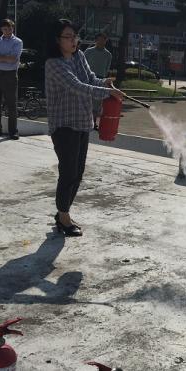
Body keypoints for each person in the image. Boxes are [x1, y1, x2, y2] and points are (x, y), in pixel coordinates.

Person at [45, 18, 125, 236]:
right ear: (57, 40)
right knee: (68, 172)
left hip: (82, 123)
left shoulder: (79, 55)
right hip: (63, 125)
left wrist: (104, 83)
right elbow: (77, 86)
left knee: (78, 173)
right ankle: (63, 217)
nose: (73, 40)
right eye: (68, 37)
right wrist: (107, 92)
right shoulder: (53, 64)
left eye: (75, 36)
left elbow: (89, 78)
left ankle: (62, 211)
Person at [0, 19, 23, 140]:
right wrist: (6, 58)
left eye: (9, 28)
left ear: (13, 28)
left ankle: (13, 131)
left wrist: (1, 57)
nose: (7, 31)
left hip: (10, 75)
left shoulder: (18, 42)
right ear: (1, 29)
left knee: (11, 104)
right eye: (5, 29)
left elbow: (14, 58)